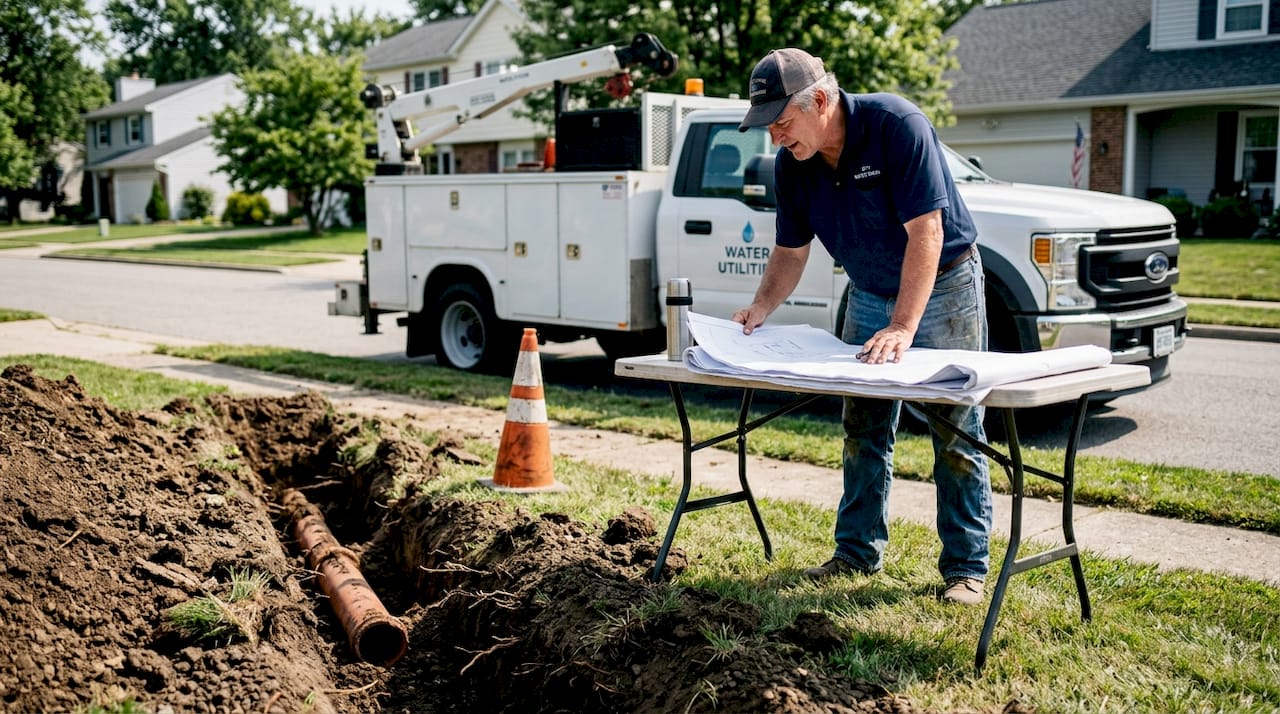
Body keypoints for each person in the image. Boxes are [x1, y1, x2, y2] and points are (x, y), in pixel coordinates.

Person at [731, 48, 992, 605]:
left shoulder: (896, 124)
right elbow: (790, 250)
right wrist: (760, 308)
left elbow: (928, 232)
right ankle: (856, 552)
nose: (776, 138)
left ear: (820, 100)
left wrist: (903, 325)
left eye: (782, 123)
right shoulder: (793, 164)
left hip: (944, 284)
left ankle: (965, 568)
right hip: (869, 292)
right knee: (864, 425)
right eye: (769, 127)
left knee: (955, 426)